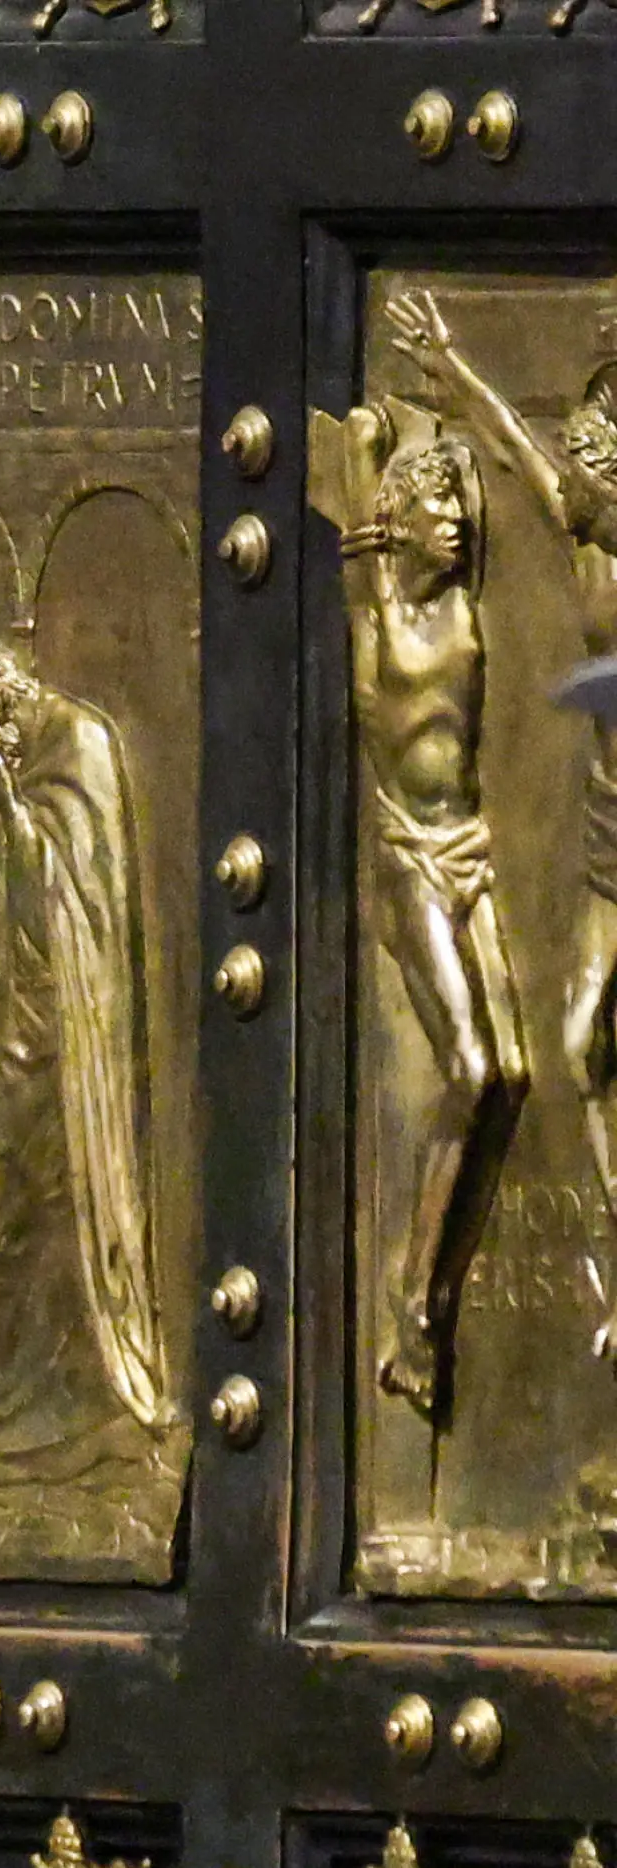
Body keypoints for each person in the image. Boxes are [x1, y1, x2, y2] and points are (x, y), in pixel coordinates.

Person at [389, 293, 617, 1358]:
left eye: (596, 462)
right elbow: (523, 462)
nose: (574, 474)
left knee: (549, 1053)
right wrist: (455, 372)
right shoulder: (585, 535)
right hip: (605, 831)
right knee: (573, 1045)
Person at [330, 409, 531, 1414]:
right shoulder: (376, 616)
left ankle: (434, 1294)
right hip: (408, 855)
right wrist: (367, 448)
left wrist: (436, 422)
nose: (456, 519)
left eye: (459, 501)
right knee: (473, 1066)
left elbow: (474, 513)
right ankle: (411, 1311)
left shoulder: (465, 616)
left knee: (518, 1071)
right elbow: (352, 518)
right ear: (397, 519)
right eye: (436, 503)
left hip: (472, 852)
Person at [0, 640, 170, 1476]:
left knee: (24, 1220)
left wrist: (7, 803)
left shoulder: (80, 748)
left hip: (72, 1045)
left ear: (1, 718)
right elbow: (10, 928)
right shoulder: (21, 778)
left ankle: (57, 1411)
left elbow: (74, 909)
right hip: (26, 1040)